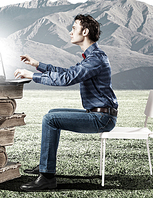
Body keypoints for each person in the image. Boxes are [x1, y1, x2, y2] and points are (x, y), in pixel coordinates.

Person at [14, 14, 118, 191]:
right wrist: (38, 65)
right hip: (97, 113)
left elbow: (66, 79)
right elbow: (67, 72)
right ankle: (45, 165)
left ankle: (47, 177)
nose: (70, 32)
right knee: (53, 113)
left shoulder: (96, 59)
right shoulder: (92, 57)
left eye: (73, 28)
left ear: (84, 32)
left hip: (102, 118)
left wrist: (32, 76)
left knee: (50, 119)